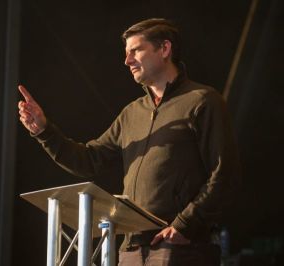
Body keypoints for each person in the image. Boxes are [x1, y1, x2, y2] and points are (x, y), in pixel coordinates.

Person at [18, 18, 240, 266]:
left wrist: (185, 225)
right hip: (131, 249)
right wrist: (44, 131)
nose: (127, 61)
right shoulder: (132, 113)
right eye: (126, 53)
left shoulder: (202, 101)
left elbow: (224, 173)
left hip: (180, 247)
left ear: (164, 49)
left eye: (135, 50)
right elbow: (89, 160)